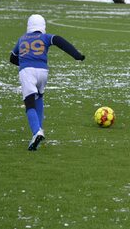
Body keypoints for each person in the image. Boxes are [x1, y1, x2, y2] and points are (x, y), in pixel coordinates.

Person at [10, 14, 85, 150]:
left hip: (27, 71)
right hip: (43, 72)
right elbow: (59, 41)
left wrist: (25, 60)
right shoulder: (45, 37)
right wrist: (77, 56)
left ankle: (36, 132)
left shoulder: (22, 39)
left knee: (29, 102)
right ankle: (39, 130)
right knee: (39, 98)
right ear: (43, 26)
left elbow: (12, 58)